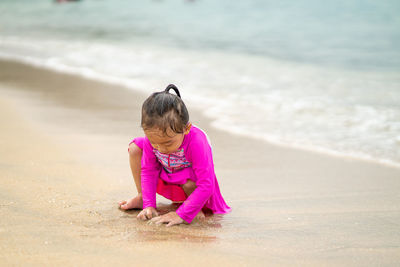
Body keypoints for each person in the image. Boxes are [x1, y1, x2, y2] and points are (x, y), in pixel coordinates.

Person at [118, 84, 231, 226]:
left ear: (186, 129)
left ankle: (194, 210)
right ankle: (142, 198)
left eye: (167, 143)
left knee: (190, 184)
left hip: (192, 184)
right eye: (155, 143)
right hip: (168, 172)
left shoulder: (197, 142)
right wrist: (149, 204)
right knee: (135, 148)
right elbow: (148, 170)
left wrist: (180, 215)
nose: (161, 149)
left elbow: (207, 184)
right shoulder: (153, 138)